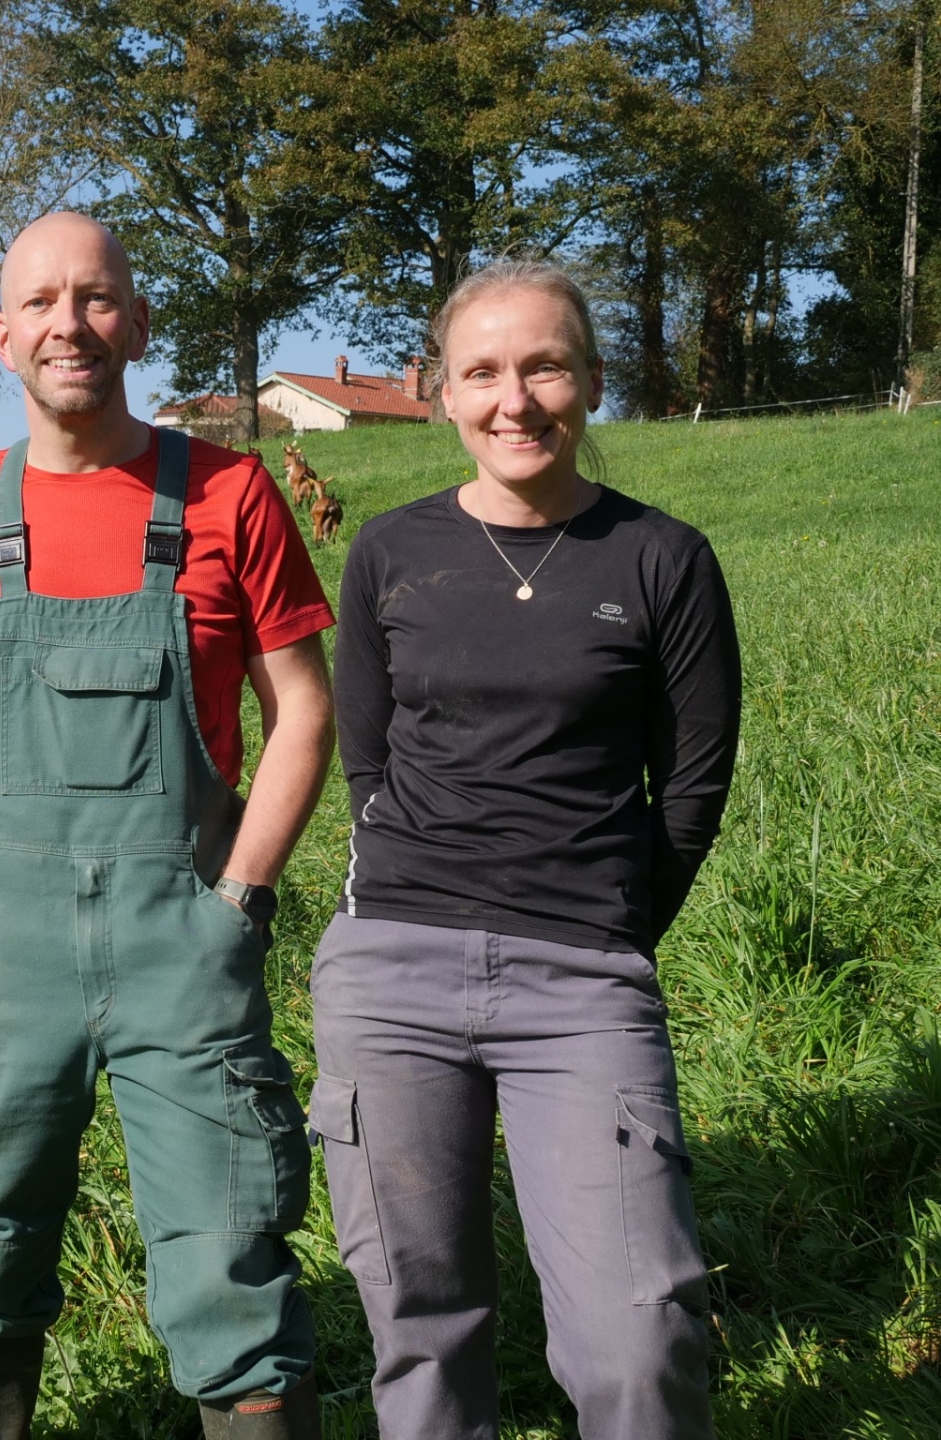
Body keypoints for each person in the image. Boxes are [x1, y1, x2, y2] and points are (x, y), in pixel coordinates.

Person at [0, 212, 337, 1439]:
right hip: (4, 946)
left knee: (230, 1253)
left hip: (187, 939)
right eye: (44, 303)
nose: (73, 324)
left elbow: (306, 710)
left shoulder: (229, 493)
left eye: (99, 298)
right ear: (1, 335)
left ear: (138, 323)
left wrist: (244, 897)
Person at [312, 260, 740, 1439]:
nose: (516, 398)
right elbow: (367, 767)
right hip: (392, 968)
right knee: (421, 1330)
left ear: (591, 382)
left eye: (544, 365)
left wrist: (605, 923)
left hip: (583, 983)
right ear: (441, 393)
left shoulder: (663, 559)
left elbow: (692, 785)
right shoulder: (390, 554)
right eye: (484, 372)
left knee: (640, 1339)